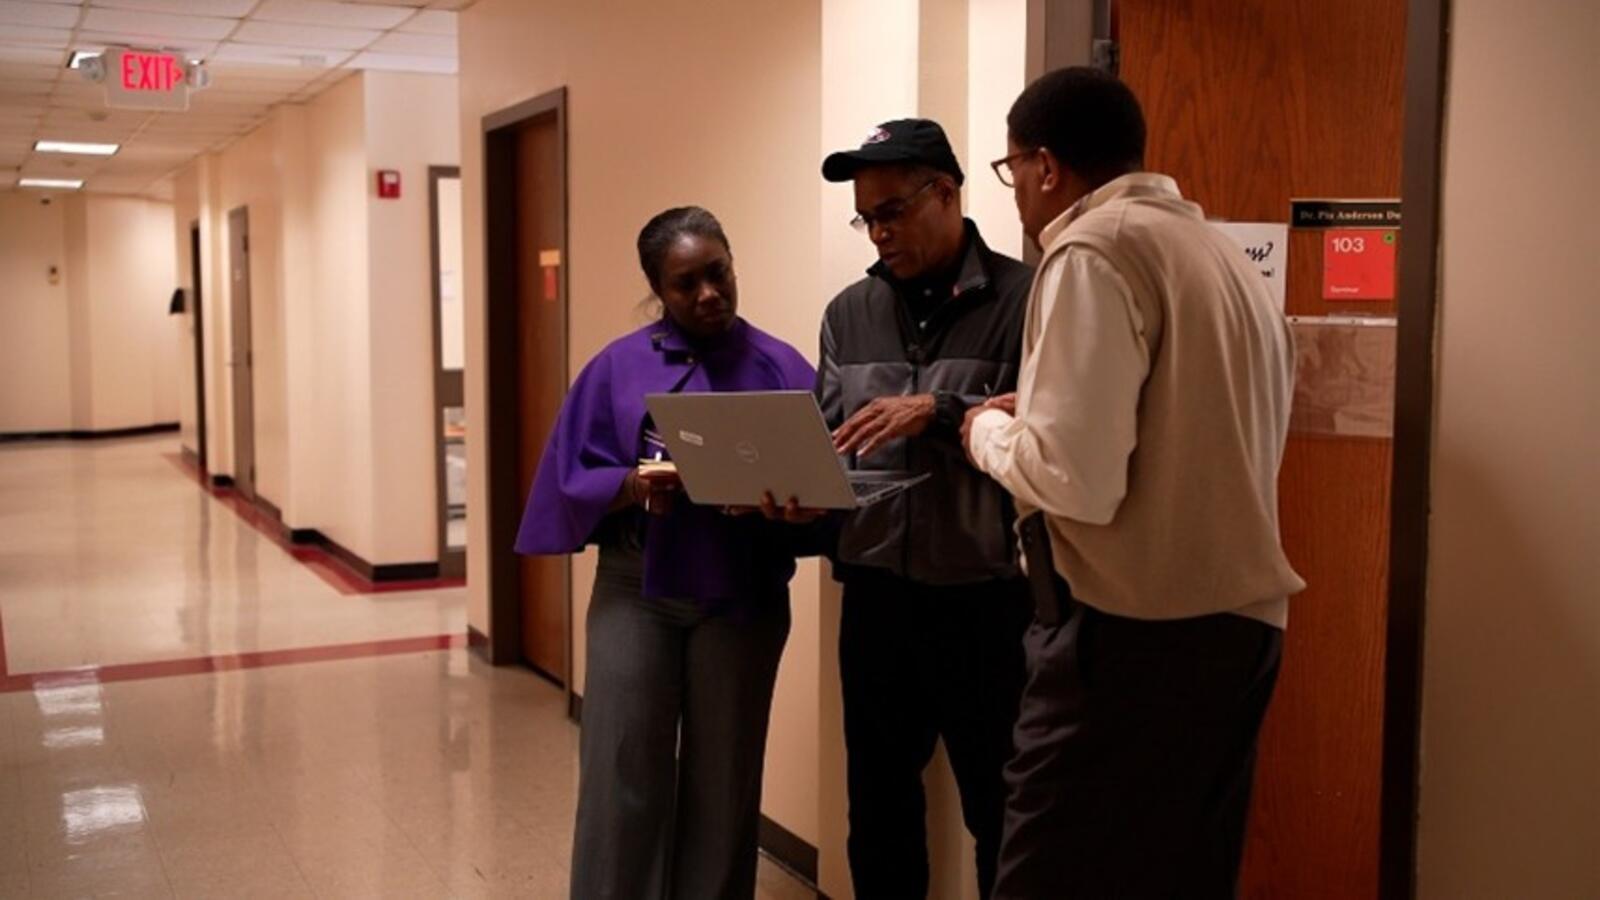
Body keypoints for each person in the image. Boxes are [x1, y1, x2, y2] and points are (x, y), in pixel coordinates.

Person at [961, 67, 1307, 898]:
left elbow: (1074, 483)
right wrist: (1043, 414)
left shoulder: (1093, 248)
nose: (1016, 197)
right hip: (1239, 633)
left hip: (1128, 637)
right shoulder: (1222, 258)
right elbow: (1188, 429)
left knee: (1047, 878)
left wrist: (988, 431)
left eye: (1012, 172)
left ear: (1046, 166)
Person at [514, 207, 818, 900]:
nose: (708, 293)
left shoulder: (781, 365)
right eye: (686, 284)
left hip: (742, 593)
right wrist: (635, 481)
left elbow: (823, 492)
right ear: (658, 288)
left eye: (718, 273)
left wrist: (788, 506)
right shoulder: (615, 369)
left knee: (724, 779)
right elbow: (570, 477)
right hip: (637, 587)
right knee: (623, 768)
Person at [816, 118, 1035, 899]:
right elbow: (833, 440)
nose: (878, 233)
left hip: (986, 601)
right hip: (875, 595)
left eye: (893, 212)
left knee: (1001, 811)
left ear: (947, 193)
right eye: (866, 218)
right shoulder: (848, 313)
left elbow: (1043, 436)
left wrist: (937, 411)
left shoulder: (1027, 299)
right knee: (877, 808)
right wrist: (792, 497)